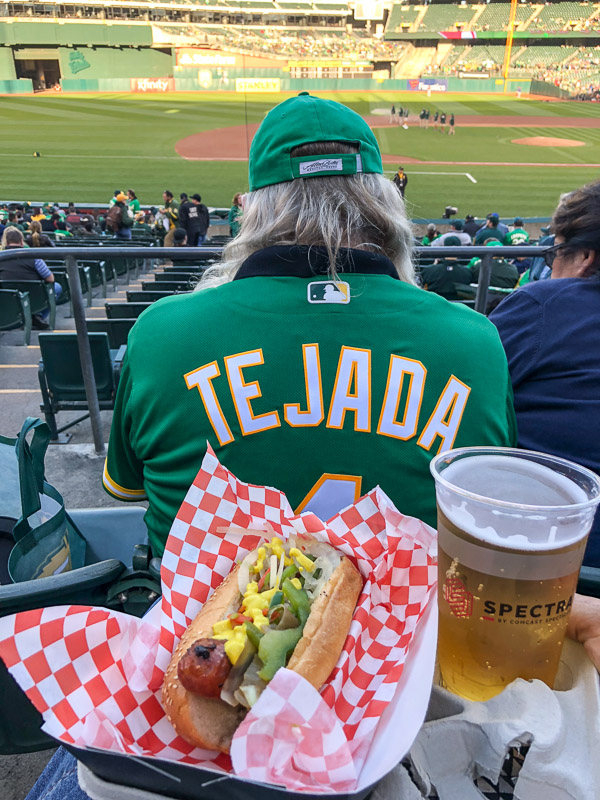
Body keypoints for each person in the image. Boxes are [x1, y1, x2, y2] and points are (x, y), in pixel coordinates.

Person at [28, 90, 518, 800]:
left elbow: (124, 491)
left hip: (188, 733)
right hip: (405, 706)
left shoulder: (163, 335)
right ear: (387, 202)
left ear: (249, 209)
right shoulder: (476, 344)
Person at [490, 179, 600, 566]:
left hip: (546, 558)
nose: (551, 263)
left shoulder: (544, 305)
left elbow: (465, 391)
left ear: (584, 256)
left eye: (554, 251)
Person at [0, 227, 61, 328]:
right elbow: (50, 279)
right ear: (21, 241)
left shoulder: (1, 258)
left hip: (9, 298)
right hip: (35, 297)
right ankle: (37, 315)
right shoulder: (34, 257)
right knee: (57, 287)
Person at [420, 235, 473, 301]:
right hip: (457, 309)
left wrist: (433, 266)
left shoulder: (429, 270)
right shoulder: (467, 273)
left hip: (434, 308)